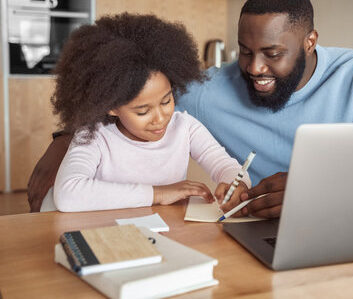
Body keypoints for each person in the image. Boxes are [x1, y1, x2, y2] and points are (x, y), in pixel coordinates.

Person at [28, 0, 353, 216]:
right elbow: (128, 91)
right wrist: (65, 138)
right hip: (259, 225)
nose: (254, 67)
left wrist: (324, 190)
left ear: (310, 42)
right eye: (244, 51)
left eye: (272, 53)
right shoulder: (207, 89)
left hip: (348, 217)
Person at [42, 13, 250, 212]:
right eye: (142, 111)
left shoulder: (185, 127)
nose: (160, 118)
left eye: (167, 100)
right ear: (111, 106)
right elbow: (68, 195)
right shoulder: (94, 136)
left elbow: (228, 167)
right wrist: (157, 194)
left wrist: (235, 183)